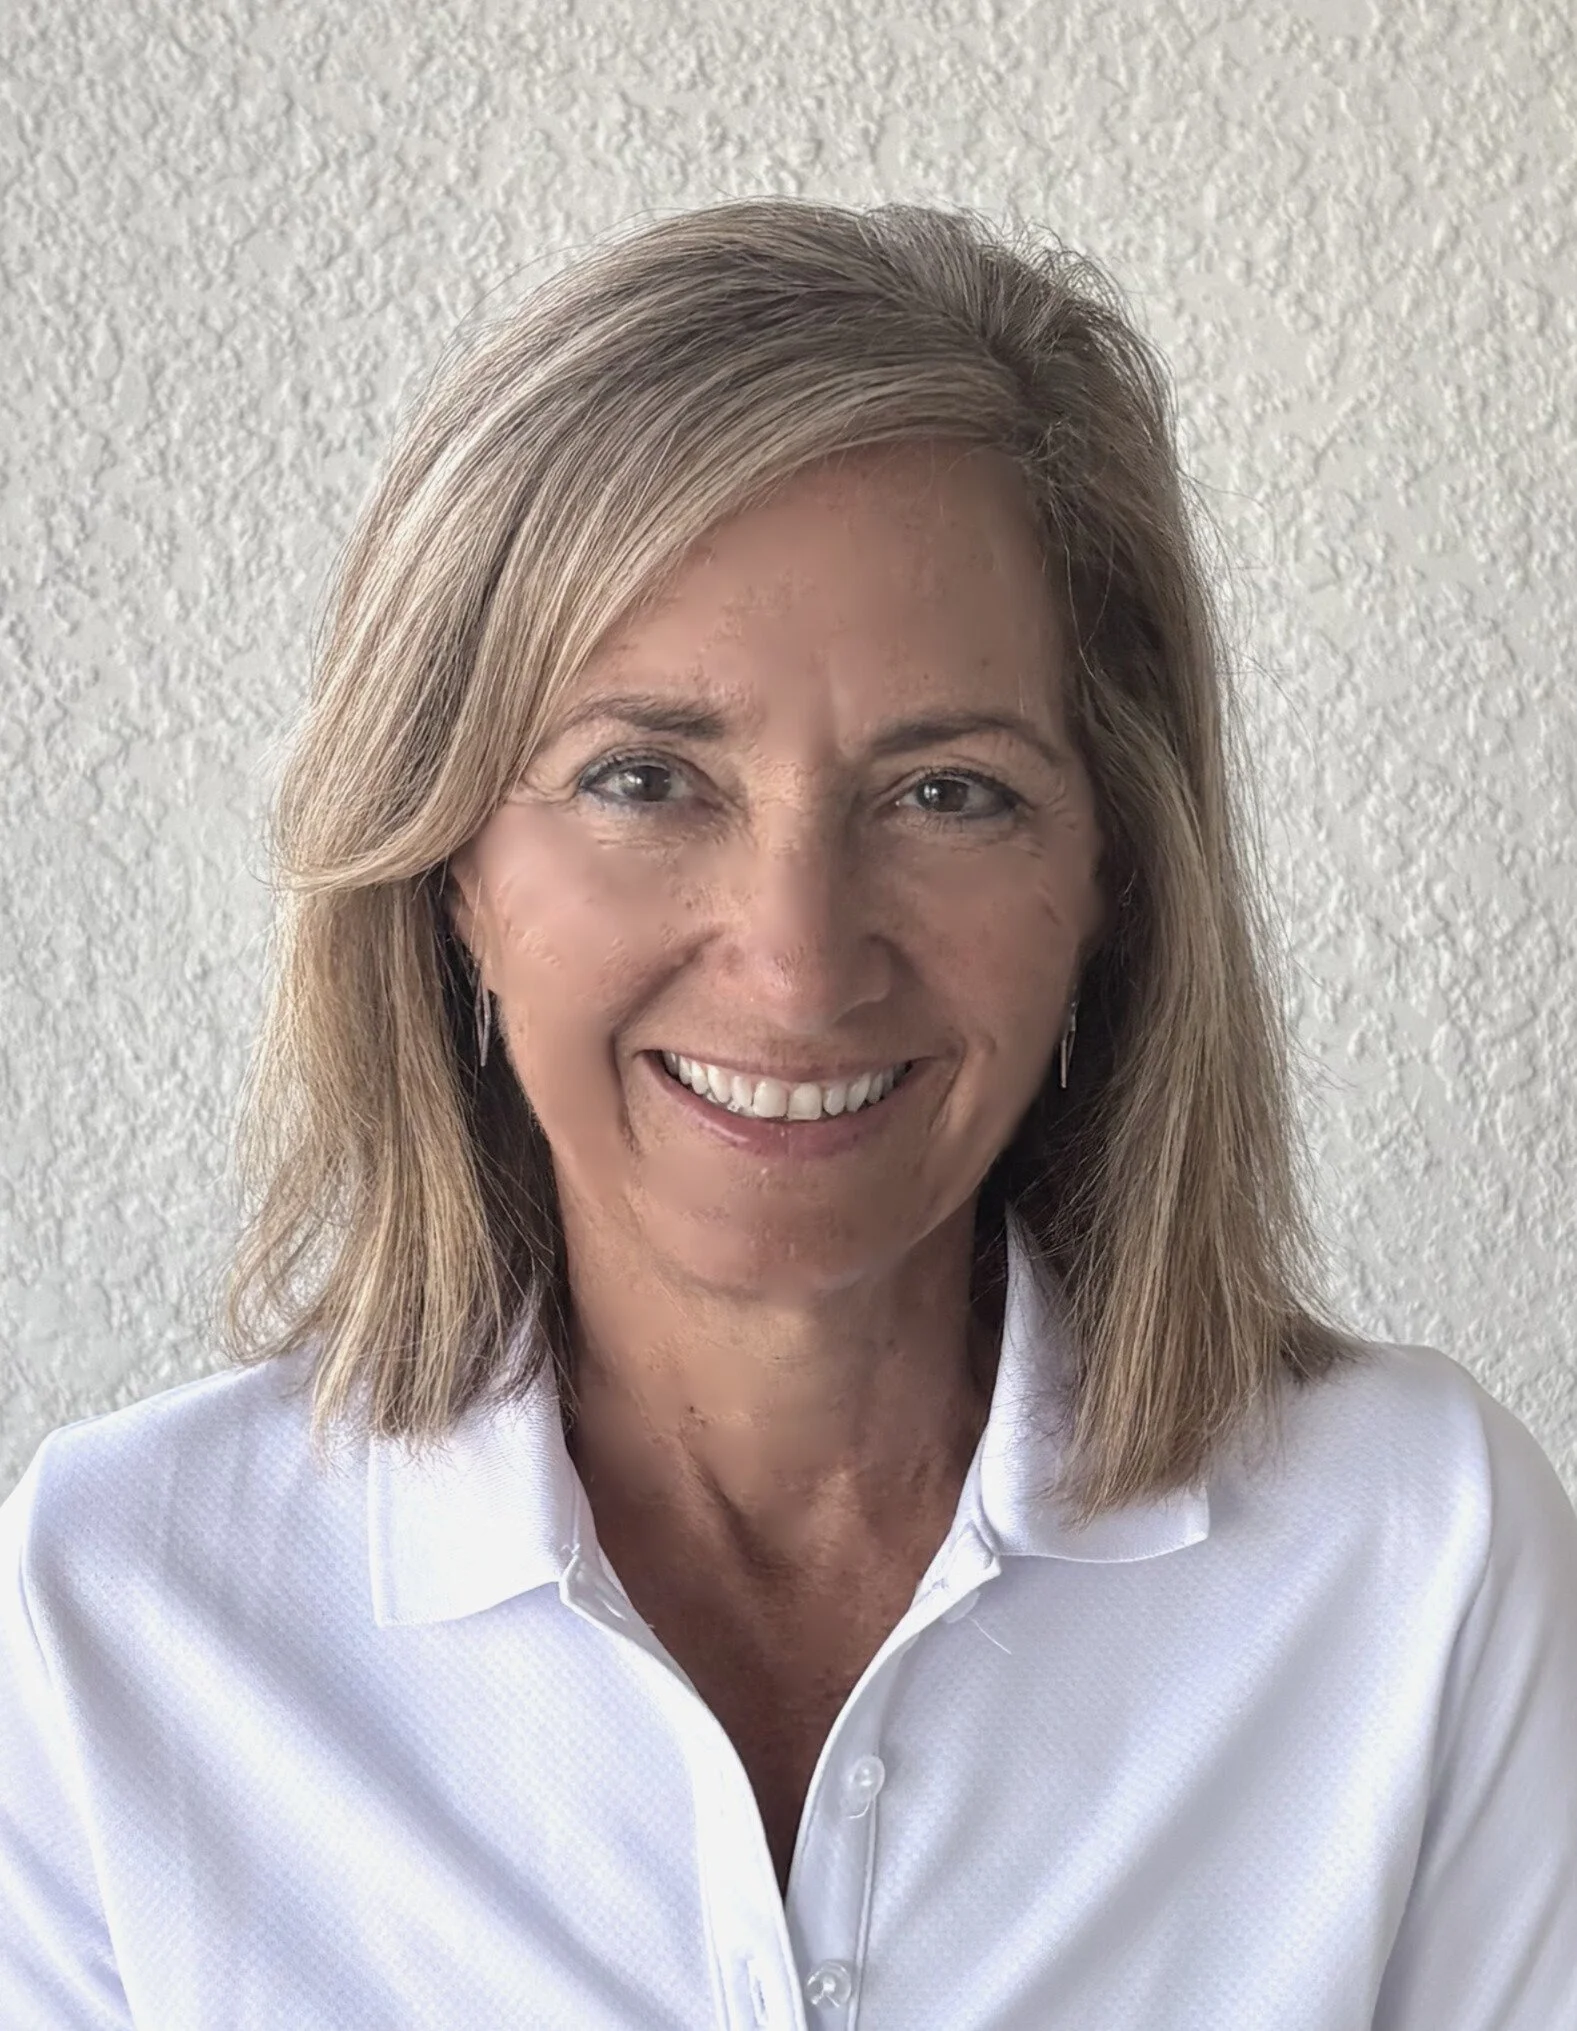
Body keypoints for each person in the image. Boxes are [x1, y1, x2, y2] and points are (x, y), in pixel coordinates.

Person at [2, 199, 1574, 2031]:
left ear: (1112, 878)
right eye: (644, 776)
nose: (800, 962)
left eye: (948, 792)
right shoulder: (116, 1611)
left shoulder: (1414, 1556)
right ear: (449, 869)